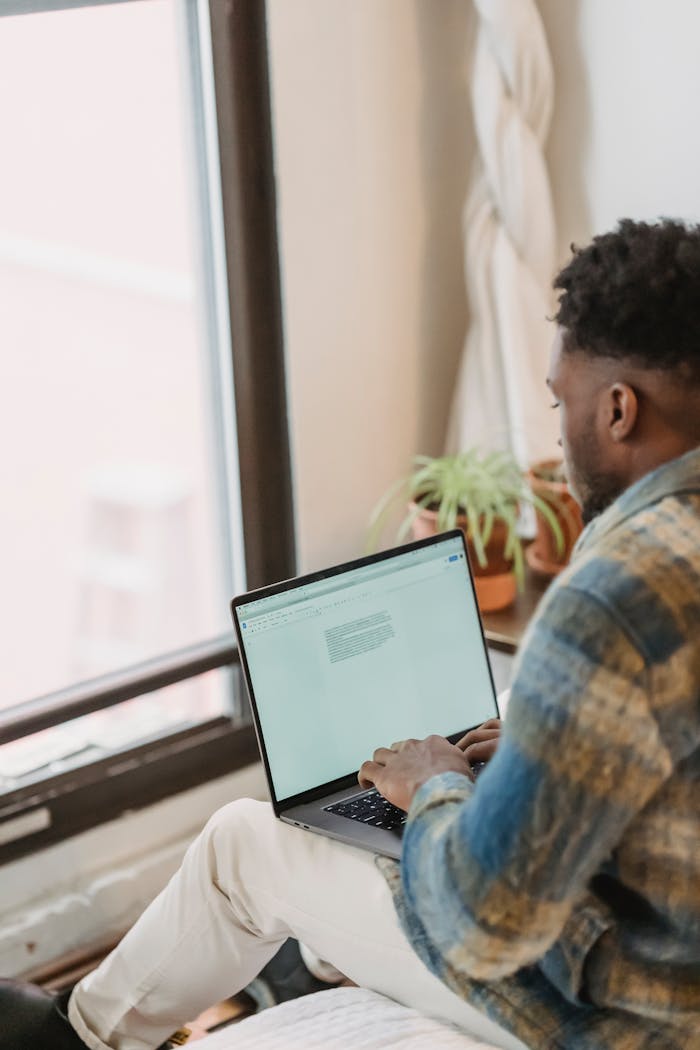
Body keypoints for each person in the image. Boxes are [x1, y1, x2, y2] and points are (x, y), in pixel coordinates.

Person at [2, 217, 699, 1049]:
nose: (558, 432)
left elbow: (487, 926)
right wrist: (539, 748)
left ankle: (71, 1040)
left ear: (619, 409)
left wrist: (436, 781)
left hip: (626, 1016)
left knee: (242, 845)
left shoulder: (614, 596)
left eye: (562, 403)